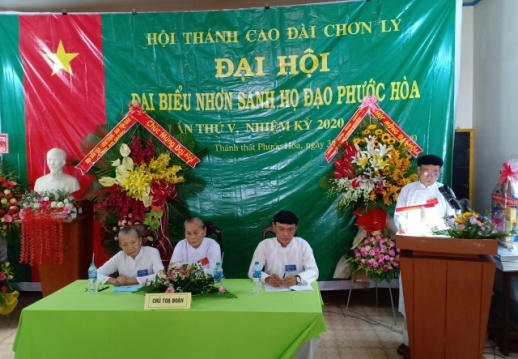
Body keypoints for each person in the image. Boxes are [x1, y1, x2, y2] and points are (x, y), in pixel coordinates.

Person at [394, 154, 457, 356]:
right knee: (411, 296)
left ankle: (436, 340)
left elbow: (454, 219)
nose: (430, 176)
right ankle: (408, 341)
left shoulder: (445, 192)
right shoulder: (408, 190)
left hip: (439, 250)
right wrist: (404, 228)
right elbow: (399, 215)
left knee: (436, 297)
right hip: (413, 249)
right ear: (418, 170)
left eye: (435, 172)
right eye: (426, 171)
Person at [248, 210, 318, 287]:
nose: (285, 234)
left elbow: (314, 271)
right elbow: (252, 271)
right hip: (272, 288)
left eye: (290, 229)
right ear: (274, 228)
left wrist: (297, 279)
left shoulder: (302, 244)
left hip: (296, 288)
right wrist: (267, 278)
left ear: (295, 229)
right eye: (281, 229)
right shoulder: (264, 245)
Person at [97, 226, 164, 286]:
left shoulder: (152, 252)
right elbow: (95, 274)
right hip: (124, 295)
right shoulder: (120, 256)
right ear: (120, 246)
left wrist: (132, 280)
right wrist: (113, 281)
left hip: (147, 294)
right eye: (125, 245)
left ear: (140, 240)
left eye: (133, 242)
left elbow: (161, 275)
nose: (130, 247)